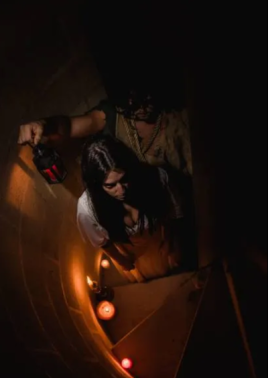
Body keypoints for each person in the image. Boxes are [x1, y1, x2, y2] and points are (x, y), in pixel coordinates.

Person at [17, 79, 192, 180]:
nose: (139, 107)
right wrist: (44, 125)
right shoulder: (115, 115)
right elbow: (71, 126)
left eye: (144, 99)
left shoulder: (176, 117)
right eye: (130, 100)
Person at [77, 134, 188, 282]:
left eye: (124, 179)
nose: (122, 190)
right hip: (127, 249)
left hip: (158, 239)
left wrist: (173, 245)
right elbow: (103, 242)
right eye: (111, 186)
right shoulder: (87, 210)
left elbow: (174, 214)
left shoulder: (156, 178)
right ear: (97, 185)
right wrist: (122, 260)